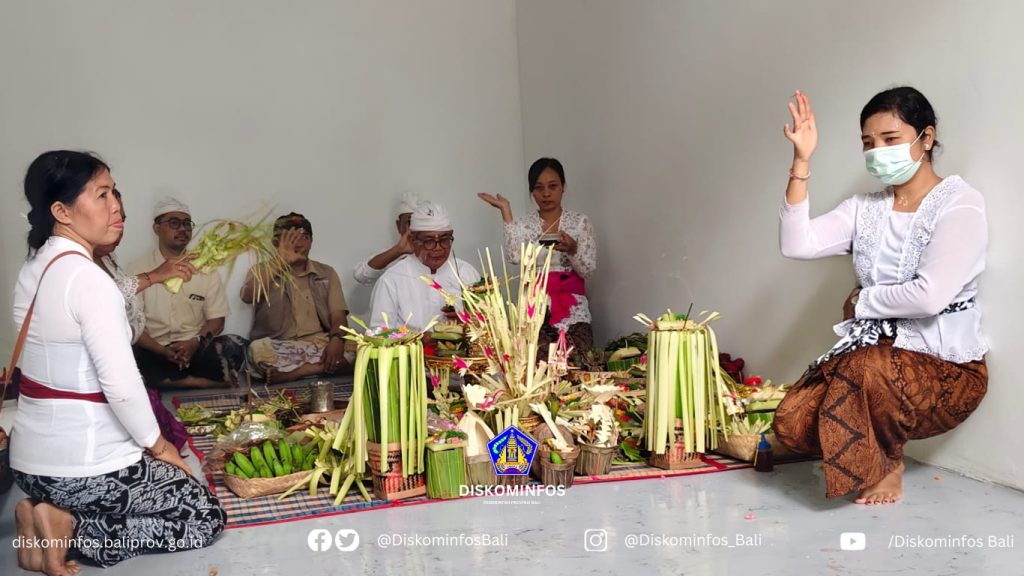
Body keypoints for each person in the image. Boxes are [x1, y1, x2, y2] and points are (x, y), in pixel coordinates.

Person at [11, 150, 224, 575]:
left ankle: (39, 524)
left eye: (115, 193)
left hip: (30, 466)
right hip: (81, 468)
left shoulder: (35, 267)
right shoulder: (89, 279)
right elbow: (122, 386)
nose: (116, 207)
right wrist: (161, 449)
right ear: (62, 212)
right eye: (102, 195)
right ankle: (71, 528)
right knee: (203, 516)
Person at [772, 88, 988, 506]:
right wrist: (802, 160)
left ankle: (887, 464)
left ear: (926, 137)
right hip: (872, 362)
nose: (877, 152)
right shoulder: (864, 208)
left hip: (948, 370)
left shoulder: (960, 203)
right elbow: (797, 244)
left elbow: (929, 297)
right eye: (868, 143)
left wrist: (861, 303)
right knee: (793, 423)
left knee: (867, 366)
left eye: (890, 139)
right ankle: (867, 445)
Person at [94, 190, 193, 451]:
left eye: (122, 218)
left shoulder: (109, 259)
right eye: (110, 216)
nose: (119, 226)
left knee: (230, 348)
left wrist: (193, 342)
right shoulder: (78, 264)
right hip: (107, 376)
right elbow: (99, 297)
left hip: (136, 359)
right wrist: (155, 276)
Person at [479, 157, 598, 356]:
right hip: (535, 309)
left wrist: (572, 248)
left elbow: (587, 269)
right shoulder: (525, 225)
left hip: (573, 309)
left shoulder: (579, 222)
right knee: (537, 361)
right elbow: (514, 256)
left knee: (576, 360)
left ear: (563, 187)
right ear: (531, 191)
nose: (546, 193)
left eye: (553, 186)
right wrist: (506, 212)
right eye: (538, 188)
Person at [128, 197, 247, 388]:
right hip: (155, 349)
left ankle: (170, 382)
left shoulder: (206, 268)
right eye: (174, 223)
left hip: (195, 347)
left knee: (234, 344)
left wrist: (194, 342)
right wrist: (162, 350)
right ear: (156, 228)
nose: (182, 229)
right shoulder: (139, 270)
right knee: (130, 350)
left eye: (187, 224)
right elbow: (133, 323)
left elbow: (217, 320)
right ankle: (198, 382)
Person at [243, 213, 351, 383]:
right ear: (276, 243)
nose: (299, 243)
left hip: (318, 343)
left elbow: (338, 316)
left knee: (363, 348)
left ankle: (296, 373)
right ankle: (321, 369)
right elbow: (247, 296)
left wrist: (337, 340)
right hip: (279, 345)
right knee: (256, 350)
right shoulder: (261, 270)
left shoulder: (326, 273)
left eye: (304, 237)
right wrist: (281, 261)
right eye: (291, 238)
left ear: (311, 241)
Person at [369, 201, 481, 331]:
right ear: (412, 241)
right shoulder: (392, 280)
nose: (438, 248)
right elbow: (379, 333)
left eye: (444, 239)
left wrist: (467, 323)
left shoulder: (467, 273)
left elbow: (486, 327)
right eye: (429, 241)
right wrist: (416, 338)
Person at [352, 193, 418, 286]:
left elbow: (438, 289)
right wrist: (398, 250)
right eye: (410, 222)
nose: (415, 229)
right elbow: (361, 276)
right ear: (399, 225)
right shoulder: (391, 256)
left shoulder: (436, 256)